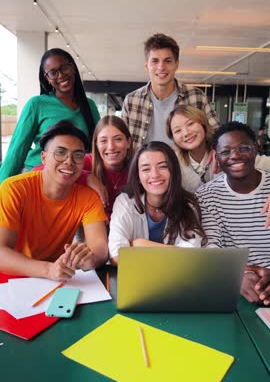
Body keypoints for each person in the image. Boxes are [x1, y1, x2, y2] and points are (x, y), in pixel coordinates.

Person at [0, 120, 108, 279]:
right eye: (60, 152)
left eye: (77, 155)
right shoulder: (14, 189)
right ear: (43, 158)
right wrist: (48, 270)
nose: (69, 161)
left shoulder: (88, 198)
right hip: (10, 280)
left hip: (55, 280)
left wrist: (87, 259)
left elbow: (100, 249)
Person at [196, 121, 270, 306]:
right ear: (216, 158)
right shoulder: (206, 195)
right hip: (231, 285)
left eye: (243, 148)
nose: (235, 156)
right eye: (225, 151)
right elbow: (211, 247)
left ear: (256, 149)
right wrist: (239, 275)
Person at [0, 48, 100, 183]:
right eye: (53, 73)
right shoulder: (37, 104)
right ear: (46, 79)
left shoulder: (89, 106)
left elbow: (97, 148)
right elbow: (17, 149)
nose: (60, 75)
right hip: (39, 176)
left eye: (64, 68)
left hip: (75, 176)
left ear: (73, 68)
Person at [109, 141, 206, 265]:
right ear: (138, 176)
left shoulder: (188, 205)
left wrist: (139, 244)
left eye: (162, 166)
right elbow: (117, 256)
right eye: (146, 169)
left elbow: (193, 255)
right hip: (137, 277)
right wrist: (174, 253)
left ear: (173, 171)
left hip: (177, 278)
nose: (155, 174)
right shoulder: (125, 201)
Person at [122, 33, 219, 148]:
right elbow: (123, 142)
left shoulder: (197, 97)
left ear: (176, 65)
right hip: (145, 165)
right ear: (146, 66)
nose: (161, 67)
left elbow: (216, 134)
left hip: (186, 165)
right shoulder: (132, 101)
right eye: (155, 61)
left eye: (167, 61)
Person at [167, 105, 270, 193]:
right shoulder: (173, 164)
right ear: (173, 138)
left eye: (190, 124)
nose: (186, 133)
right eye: (177, 131)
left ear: (203, 124)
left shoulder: (226, 154)